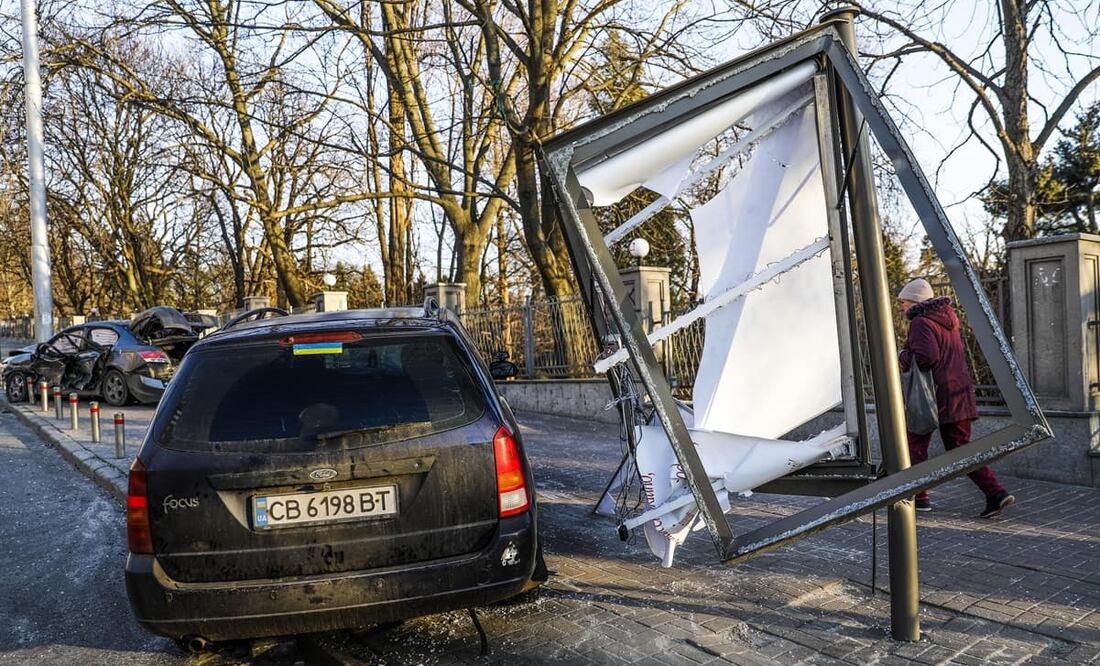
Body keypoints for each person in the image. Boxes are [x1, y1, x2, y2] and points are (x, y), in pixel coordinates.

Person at [897, 278, 1015, 518]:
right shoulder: (948, 320)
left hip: (934, 397)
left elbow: (927, 356)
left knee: (915, 445)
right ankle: (995, 493)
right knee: (960, 450)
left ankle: (919, 498)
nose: (901, 306)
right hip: (959, 394)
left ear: (916, 301)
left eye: (904, 301)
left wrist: (902, 356)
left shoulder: (921, 322)